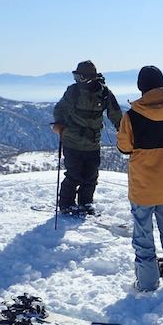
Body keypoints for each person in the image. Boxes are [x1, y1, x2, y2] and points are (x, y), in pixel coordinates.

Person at [117, 65, 163, 292]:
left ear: (141, 87)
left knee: (143, 237)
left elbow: (124, 147)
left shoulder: (132, 117)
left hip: (142, 188)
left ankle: (148, 284)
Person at [52, 60, 122, 214]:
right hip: (72, 141)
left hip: (92, 143)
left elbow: (115, 114)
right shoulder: (73, 91)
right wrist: (59, 123)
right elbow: (60, 108)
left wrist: (123, 130)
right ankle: (66, 204)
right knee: (74, 175)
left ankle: (86, 203)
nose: (77, 80)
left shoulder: (104, 93)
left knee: (91, 176)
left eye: (80, 77)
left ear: (89, 77)